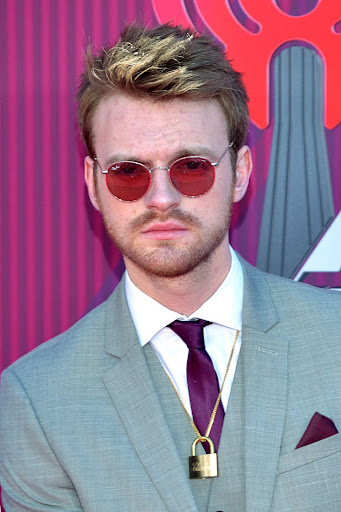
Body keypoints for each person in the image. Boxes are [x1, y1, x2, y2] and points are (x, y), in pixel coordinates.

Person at [0, 23, 340, 512]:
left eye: (192, 167)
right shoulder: (37, 402)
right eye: (128, 173)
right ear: (94, 185)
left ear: (240, 173)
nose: (162, 198)